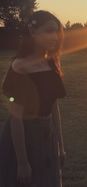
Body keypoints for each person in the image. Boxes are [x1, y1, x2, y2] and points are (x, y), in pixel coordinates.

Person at [0, 10, 67, 187]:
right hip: (25, 138)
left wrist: (60, 144)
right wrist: (22, 162)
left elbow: (54, 106)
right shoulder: (20, 66)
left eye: (57, 31)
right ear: (33, 32)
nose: (55, 37)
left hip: (47, 134)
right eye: (49, 31)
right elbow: (16, 119)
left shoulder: (51, 62)